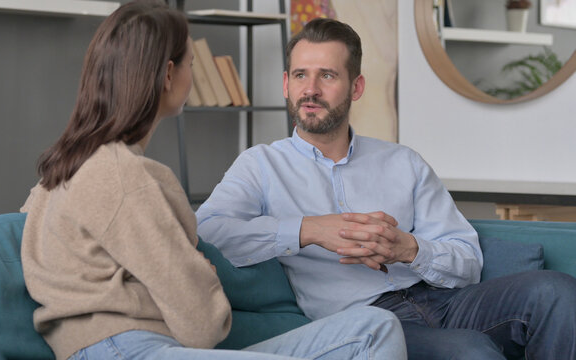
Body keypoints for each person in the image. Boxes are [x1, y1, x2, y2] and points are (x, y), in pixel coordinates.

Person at [20, 2, 407, 360]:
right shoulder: (127, 177)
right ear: (170, 75)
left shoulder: (63, 168)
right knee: (376, 332)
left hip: (116, 347)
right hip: (132, 350)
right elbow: (203, 325)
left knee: (372, 326)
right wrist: (199, 267)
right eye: (191, 62)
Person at [196, 17, 576, 360]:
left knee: (555, 290)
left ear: (356, 86)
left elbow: (468, 259)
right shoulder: (261, 165)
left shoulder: (403, 162)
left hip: (445, 300)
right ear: (285, 83)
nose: (310, 90)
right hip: (367, 322)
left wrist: (410, 249)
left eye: (327, 75)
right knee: (469, 351)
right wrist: (309, 229)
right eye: (300, 75)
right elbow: (208, 232)